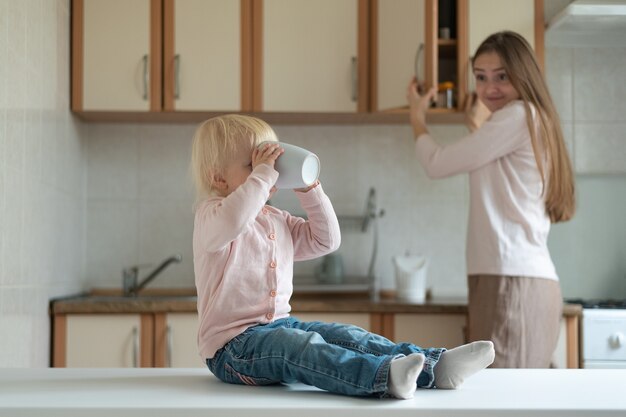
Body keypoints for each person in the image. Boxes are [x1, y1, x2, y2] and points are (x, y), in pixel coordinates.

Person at [190, 114, 495, 399]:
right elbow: (235, 220)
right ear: (218, 179)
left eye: (270, 162)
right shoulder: (212, 216)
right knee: (301, 347)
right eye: (252, 164)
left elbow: (327, 240)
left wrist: (308, 188)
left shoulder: (275, 219)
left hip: (279, 328)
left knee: (345, 335)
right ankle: (384, 377)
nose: (268, 172)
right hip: (232, 349)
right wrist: (263, 175)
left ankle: (433, 367)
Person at [406, 31, 575, 368]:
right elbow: (499, 174)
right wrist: (478, 130)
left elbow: (436, 163)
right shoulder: (527, 118)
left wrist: (416, 117)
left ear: (523, 75)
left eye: (502, 76)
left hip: (511, 280)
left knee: (504, 397)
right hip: (513, 277)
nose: (489, 88)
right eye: (480, 78)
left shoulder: (518, 115)